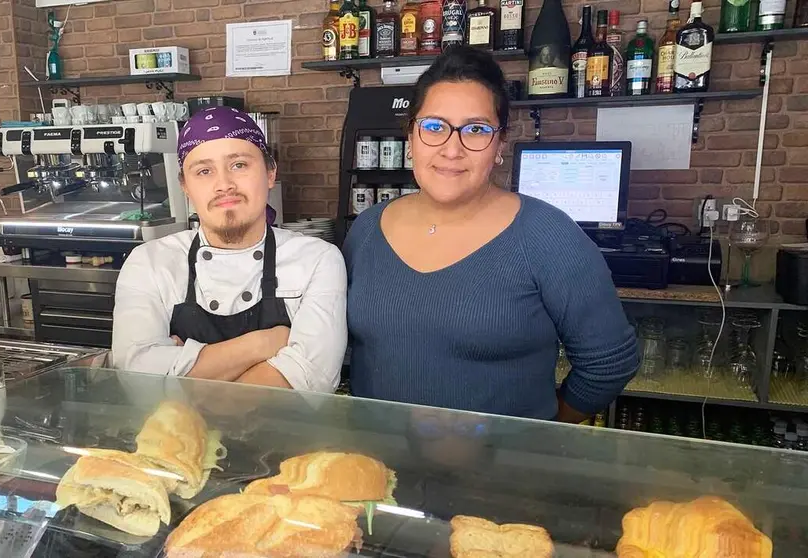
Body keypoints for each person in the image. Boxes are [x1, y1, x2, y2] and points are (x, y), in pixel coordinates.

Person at [343, 46, 638, 422]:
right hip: (377, 466)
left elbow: (609, 363)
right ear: (411, 137)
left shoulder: (547, 235)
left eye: (476, 130)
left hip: (500, 475)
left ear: (499, 144)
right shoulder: (367, 229)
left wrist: (536, 437)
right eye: (434, 127)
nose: (452, 149)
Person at [113, 107, 347, 392]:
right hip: (178, 438)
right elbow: (136, 380)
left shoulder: (317, 259)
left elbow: (312, 381)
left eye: (239, 165)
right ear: (185, 186)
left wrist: (181, 376)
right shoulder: (149, 263)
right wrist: (263, 344)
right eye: (204, 171)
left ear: (270, 173)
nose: (224, 184)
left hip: (284, 436)